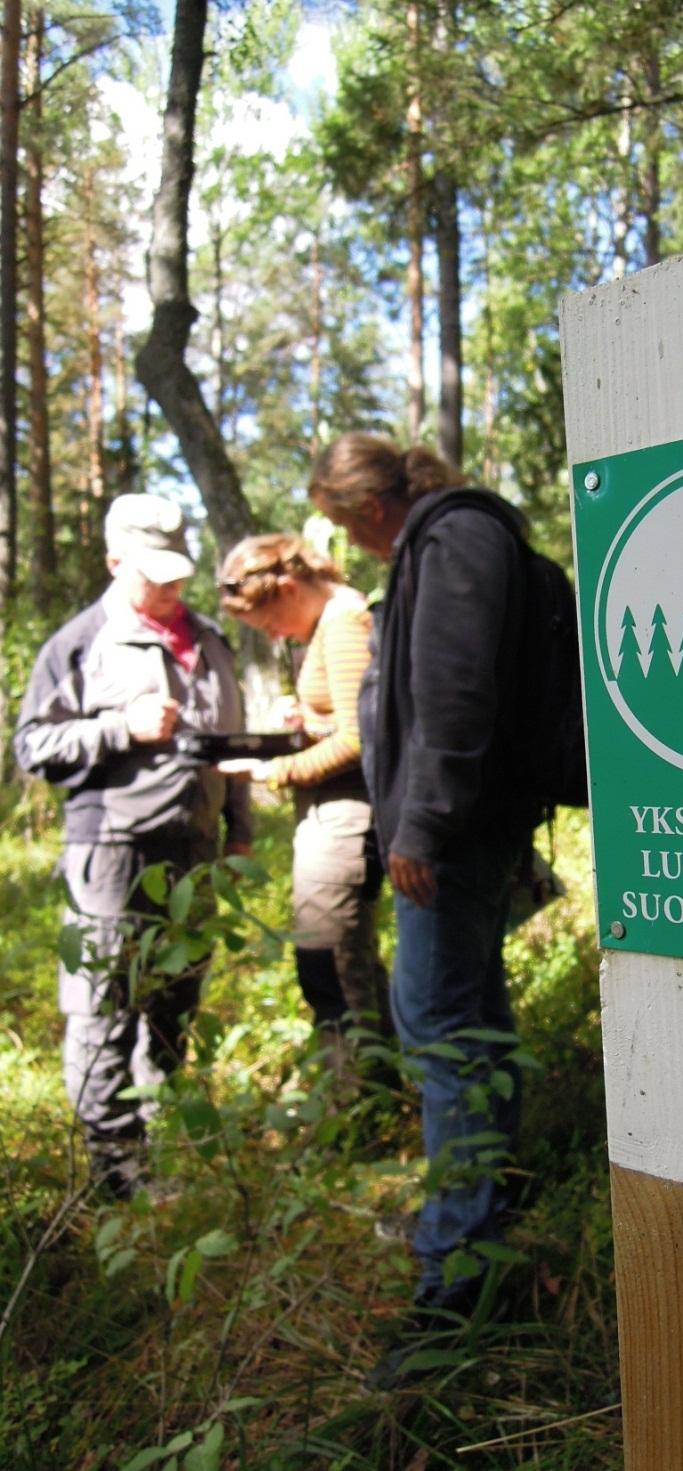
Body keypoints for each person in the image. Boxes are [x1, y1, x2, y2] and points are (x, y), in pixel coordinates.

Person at [308, 432, 541, 1354]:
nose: (349, 541)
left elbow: (452, 692)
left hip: (451, 836)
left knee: (438, 1033)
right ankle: (490, 1195)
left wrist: (422, 824)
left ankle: (456, 1272)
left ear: (363, 509)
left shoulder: (449, 540)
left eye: (341, 523)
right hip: (457, 828)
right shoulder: (446, 540)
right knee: (471, 1018)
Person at [14, 493, 253, 1201]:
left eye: (180, 571)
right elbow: (33, 744)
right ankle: (115, 1174)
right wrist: (120, 726)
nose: (173, 586)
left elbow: (225, 746)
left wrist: (238, 825)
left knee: (176, 995)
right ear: (116, 562)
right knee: (102, 1003)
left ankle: (162, 1139)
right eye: (157, 573)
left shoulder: (210, 637)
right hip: (112, 850)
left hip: (196, 848)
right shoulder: (79, 642)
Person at [215, 533, 387, 1076]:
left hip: (345, 817)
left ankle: (358, 1099)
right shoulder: (330, 623)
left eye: (268, 622)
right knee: (343, 959)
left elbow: (361, 740)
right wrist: (308, 723)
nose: (271, 634)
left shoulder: (341, 623)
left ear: (288, 587)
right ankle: (379, 1087)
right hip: (332, 814)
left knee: (330, 964)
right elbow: (350, 718)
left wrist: (277, 770)